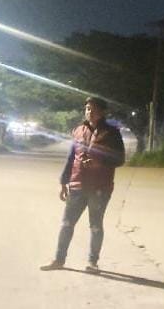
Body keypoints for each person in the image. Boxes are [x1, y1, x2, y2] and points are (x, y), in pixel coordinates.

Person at [40, 96, 125, 273]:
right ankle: (58, 260)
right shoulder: (78, 130)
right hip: (77, 184)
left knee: (95, 226)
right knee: (67, 224)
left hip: (100, 187)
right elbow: (71, 157)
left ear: (103, 112)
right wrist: (63, 182)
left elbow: (120, 159)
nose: (90, 112)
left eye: (94, 109)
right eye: (87, 109)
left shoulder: (112, 133)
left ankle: (92, 262)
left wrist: (99, 161)